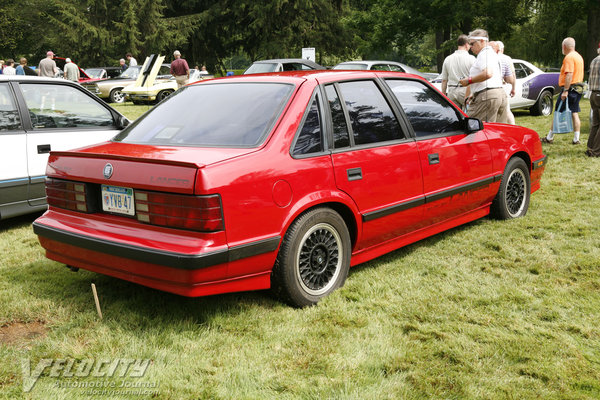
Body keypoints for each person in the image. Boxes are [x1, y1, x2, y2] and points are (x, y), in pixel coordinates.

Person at [542, 37, 585, 145]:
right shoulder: (578, 56)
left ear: (564, 47)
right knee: (574, 113)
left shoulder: (569, 57)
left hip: (570, 89)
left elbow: (569, 74)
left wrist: (565, 90)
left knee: (557, 112)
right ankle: (576, 139)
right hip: (577, 89)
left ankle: (549, 137)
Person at [459, 29, 508, 123]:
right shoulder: (491, 53)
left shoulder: (484, 54)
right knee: (496, 131)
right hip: (498, 94)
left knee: (470, 126)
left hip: (487, 97)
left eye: (472, 44)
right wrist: (474, 93)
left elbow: (488, 73)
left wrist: (468, 81)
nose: (470, 47)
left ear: (482, 41)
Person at [440, 34, 475, 109]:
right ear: (466, 45)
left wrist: (443, 94)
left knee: (455, 117)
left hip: (452, 91)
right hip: (466, 91)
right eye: (470, 45)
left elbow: (444, 80)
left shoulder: (448, 59)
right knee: (466, 116)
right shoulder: (472, 59)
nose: (470, 47)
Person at [491, 41, 516, 124]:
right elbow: (512, 76)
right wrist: (513, 88)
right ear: (502, 49)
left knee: (495, 111)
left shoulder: (489, 58)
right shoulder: (507, 58)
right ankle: (513, 127)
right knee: (506, 110)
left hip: (493, 88)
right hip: (504, 87)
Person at [587, 44, 600, 157]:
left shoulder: (594, 60)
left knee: (595, 124)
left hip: (593, 94)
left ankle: (590, 148)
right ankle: (596, 152)